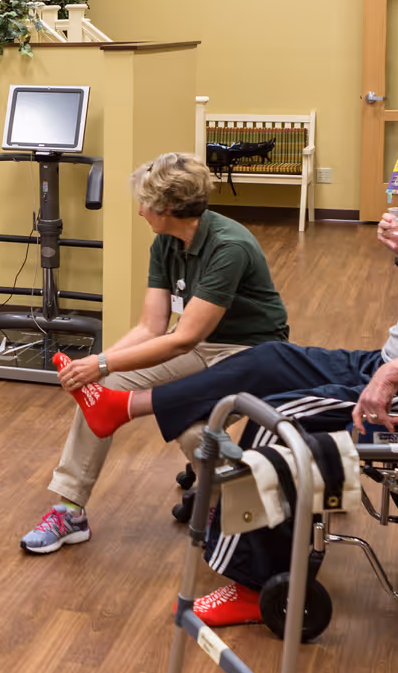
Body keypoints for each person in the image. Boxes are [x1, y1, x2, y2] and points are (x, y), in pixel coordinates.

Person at [57, 114, 398, 627]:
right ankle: (124, 406)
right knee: (265, 360)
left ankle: (249, 585)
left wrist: (395, 371)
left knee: (276, 422)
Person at [20, 153, 290, 555]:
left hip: (252, 354)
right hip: (201, 347)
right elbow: (152, 326)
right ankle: (70, 509)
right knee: (104, 386)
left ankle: (253, 520)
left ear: (169, 209)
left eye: (146, 203)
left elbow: (182, 338)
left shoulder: (228, 246)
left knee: (197, 434)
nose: (140, 210)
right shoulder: (166, 241)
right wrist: (95, 367)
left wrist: (101, 361)